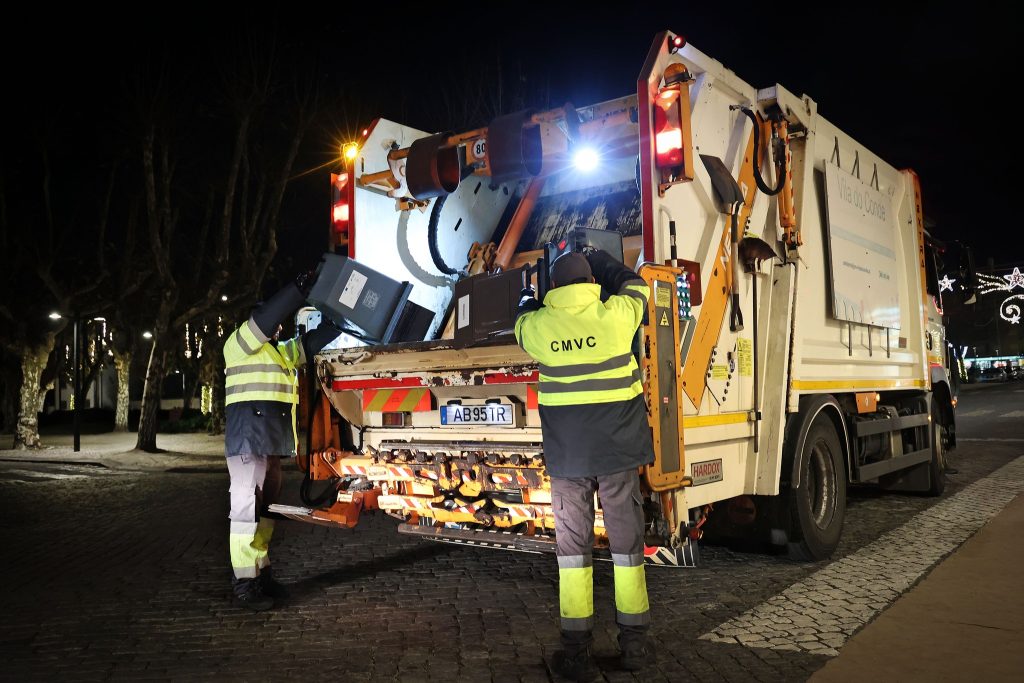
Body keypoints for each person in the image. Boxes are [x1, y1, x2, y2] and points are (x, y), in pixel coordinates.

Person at [515, 249, 656, 680]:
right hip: (617, 455)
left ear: (554, 288)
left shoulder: (539, 328)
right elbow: (638, 288)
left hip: (569, 460)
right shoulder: (616, 315)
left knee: (573, 554)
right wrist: (607, 264)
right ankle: (634, 646)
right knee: (627, 549)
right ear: (591, 281)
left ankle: (576, 654)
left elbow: (520, 319)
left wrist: (529, 297)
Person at [222, 272, 340, 611]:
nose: (276, 327)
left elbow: (311, 344)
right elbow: (264, 319)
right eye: (272, 321)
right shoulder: (239, 344)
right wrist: (297, 289)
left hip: (270, 445)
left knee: (265, 513)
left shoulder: (282, 353)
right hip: (247, 444)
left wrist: (340, 321)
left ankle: (261, 574)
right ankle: (244, 584)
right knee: (246, 515)